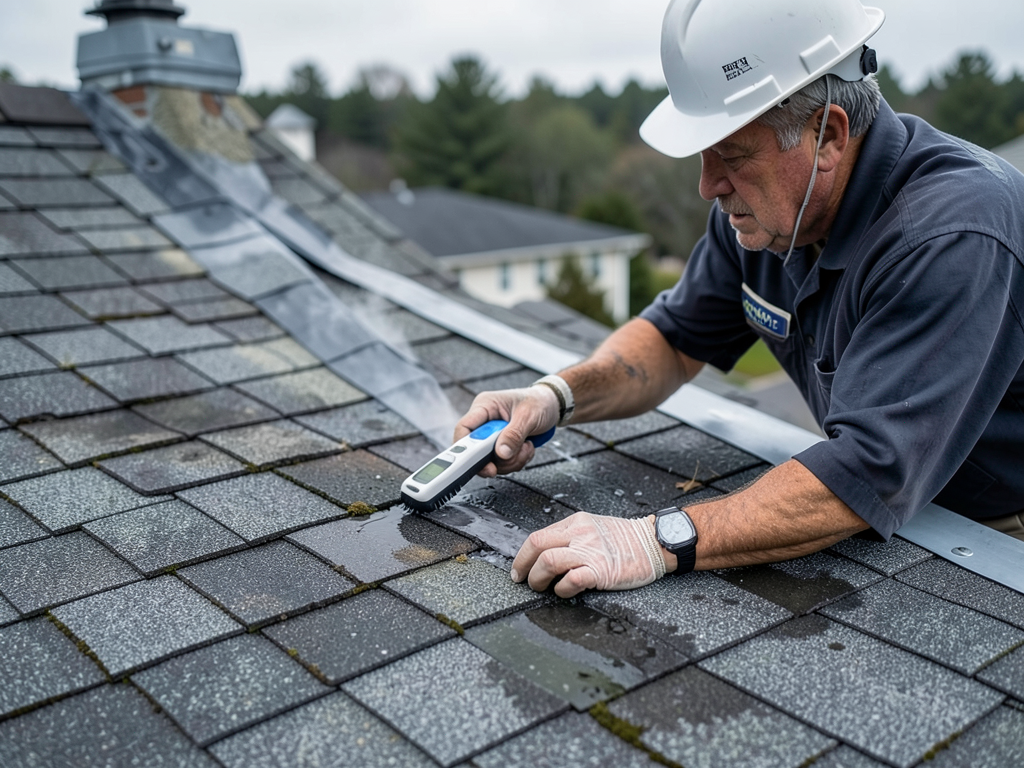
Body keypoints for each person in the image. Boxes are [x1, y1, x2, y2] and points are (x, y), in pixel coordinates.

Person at [455, 0, 1024, 598]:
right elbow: (675, 341)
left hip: (993, 524)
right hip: (900, 495)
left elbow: (868, 471)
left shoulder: (950, 233)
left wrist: (656, 539)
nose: (708, 185)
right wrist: (558, 395)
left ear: (826, 134)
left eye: (732, 154)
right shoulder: (772, 213)